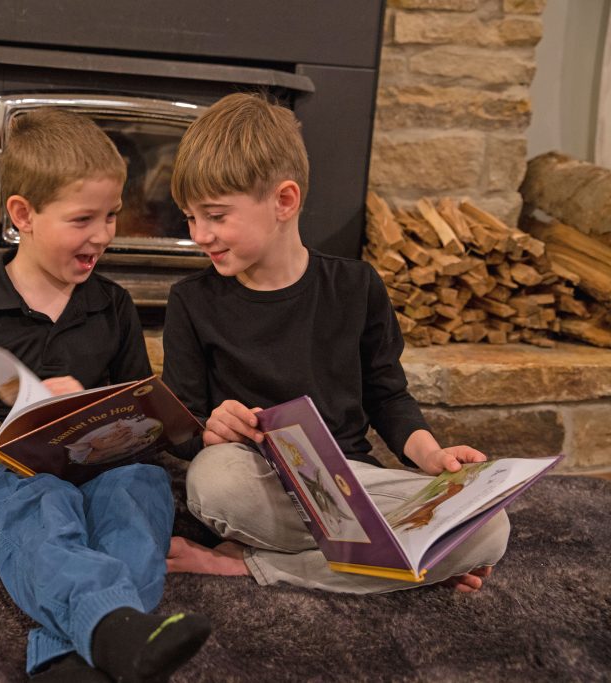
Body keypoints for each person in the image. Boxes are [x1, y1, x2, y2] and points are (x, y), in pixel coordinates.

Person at [160, 93, 510, 595]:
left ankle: (257, 562)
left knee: (491, 529)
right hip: (259, 480)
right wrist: (211, 429)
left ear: (284, 201)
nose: (200, 235)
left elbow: (387, 397)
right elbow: (185, 428)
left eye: (215, 216)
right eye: (190, 218)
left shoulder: (356, 286)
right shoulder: (191, 301)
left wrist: (431, 458)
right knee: (212, 482)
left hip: (354, 482)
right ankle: (408, 560)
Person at [0, 108, 210, 682]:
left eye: (111, 216)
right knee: (38, 504)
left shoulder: (114, 305)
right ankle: (109, 635)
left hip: (99, 458)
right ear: (23, 215)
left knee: (141, 489)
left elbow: (138, 402)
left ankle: (86, 651)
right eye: (83, 219)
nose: (102, 234)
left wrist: (97, 401)